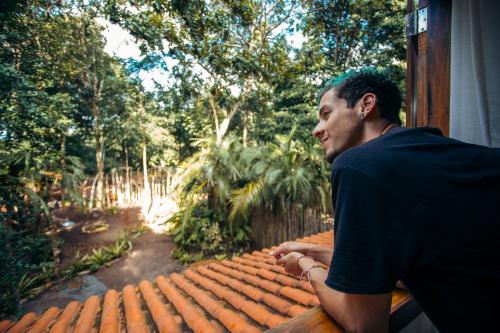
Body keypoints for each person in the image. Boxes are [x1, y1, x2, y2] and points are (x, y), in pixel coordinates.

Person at [271, 69, 500, 333]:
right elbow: (405, 269)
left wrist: (305, 266)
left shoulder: (358, 166)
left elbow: (365, 325)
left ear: (366, 105)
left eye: (326, 115)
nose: (316, 130)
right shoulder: (431, 152)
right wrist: (316, 252)